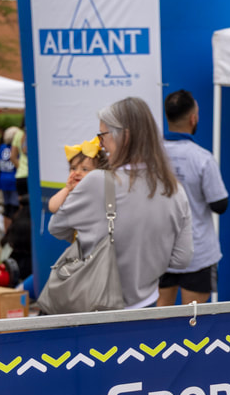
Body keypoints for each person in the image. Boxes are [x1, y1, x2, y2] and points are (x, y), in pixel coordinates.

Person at [48, 97, 193, 309]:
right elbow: (182, 259)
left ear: (124, 137)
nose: (100, 143)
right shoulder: (175, 190)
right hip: (146, 304)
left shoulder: (96, 182)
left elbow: (56, 228)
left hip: (97, 306)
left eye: (103, 135)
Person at [158, 89, 229, 306]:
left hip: (160, 250)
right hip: (197, 251)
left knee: (160, 315)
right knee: (195, 318)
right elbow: (220, 205)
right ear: (193, 118)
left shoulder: (152, 156)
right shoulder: (202, 158)